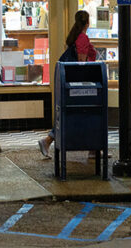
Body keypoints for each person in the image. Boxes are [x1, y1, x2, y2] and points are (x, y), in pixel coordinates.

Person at [38, 10, 97, 158]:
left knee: (76, 113)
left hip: (70, 82)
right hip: (80, 83)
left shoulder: (74, 37)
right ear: (87, 23)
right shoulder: (82, 38)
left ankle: (93, 148)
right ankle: (48, 140)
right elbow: (81, 63)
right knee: (85, 113)